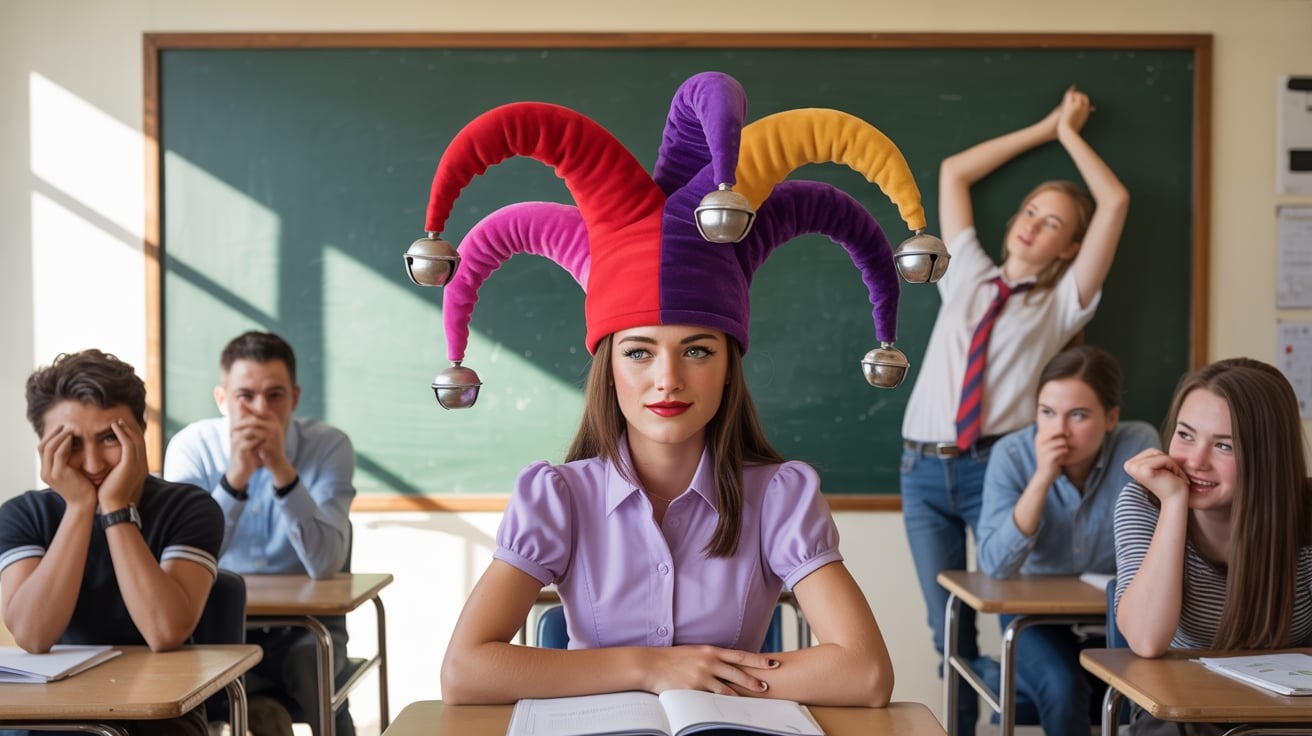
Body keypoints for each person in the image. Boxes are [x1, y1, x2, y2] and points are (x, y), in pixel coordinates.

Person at [413, 71, 941, 706]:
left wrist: (702, 678)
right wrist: (649, 667)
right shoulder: (558, 496)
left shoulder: (777, 496)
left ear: (728, 365)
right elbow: (466, 674)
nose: (668, 379)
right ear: (610, 368)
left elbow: (863, 675)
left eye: (697, 350)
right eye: (639, 352)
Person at [899, 85, 1130, 736]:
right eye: (1031, 210)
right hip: (920, 471)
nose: (1032, 223)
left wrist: (1071, 135)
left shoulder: (1064, 302)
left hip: (993, 466)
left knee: (1006, 610)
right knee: (945, 622)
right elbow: (954, 172)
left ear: (1068, 248)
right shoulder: (963, 269)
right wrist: (1042, 126)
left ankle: (1033, 713)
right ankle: (964, 729)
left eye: (1053, 222)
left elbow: (1114, 202)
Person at [0, 349, 222, 736]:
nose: (92, 464)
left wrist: (115, 508)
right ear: (44, 446)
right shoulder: (23, 515)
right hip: (51, 717)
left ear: (139, 433)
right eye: (70, 443)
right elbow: (34, 636)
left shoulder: (190, 507)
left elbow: (165, 631)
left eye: (109, 438)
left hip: (160, 718)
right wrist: (80, 507)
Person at [163, 331, 356, 736]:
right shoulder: (191, 448)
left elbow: (324, 565)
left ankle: (271, 713)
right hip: (217, 625)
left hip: (308, 626)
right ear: (221, 399)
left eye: (275, 396)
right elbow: (180, 561)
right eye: (245, 396)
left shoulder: (328, 447)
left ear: (295, 399)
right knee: (182, 683)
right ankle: (260, 712)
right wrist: (236, 480)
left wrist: (283, 472)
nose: (259, 410)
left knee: (316, 671)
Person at [1115, 358, 1312, 735]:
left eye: (1223, 446)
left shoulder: (1305, 512)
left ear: (1265, 457)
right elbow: (1146, 639)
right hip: (1186, 714)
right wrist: (1174, 505)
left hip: (1287, 716)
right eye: (1185, 435)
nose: (1195, 462)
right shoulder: (1143, 502)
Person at [976, 345, 1158, 736]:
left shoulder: (1137, 445)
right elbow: (994, 564)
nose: (1058, 429)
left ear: (1111, 418)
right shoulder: (1012, 454)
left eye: (1078, 415)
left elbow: (1155, 548)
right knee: (1063, 687)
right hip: (1033, 618)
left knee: (1143, 694)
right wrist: (1042, 478)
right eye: (1047, 413)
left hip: (1114, 612)